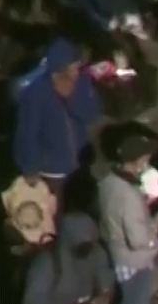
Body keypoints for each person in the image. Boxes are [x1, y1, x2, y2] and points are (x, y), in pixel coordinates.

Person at [94, 130, 158, 304]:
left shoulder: (107, 183)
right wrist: (155, 229)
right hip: (135, 262)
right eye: (146, 159)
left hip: (116, 254)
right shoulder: (130, 197)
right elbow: (138, 239)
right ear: (137, 162)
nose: (148, 162)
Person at [11, 37, 102, 198]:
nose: (77, 67)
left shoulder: (82, 82)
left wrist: (71, 99)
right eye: (73, 64)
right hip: (53, 171)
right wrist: (30, 169)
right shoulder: (35, 94)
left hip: (80, 163)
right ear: (60, 68)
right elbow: (27, 134)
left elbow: (92, 114)